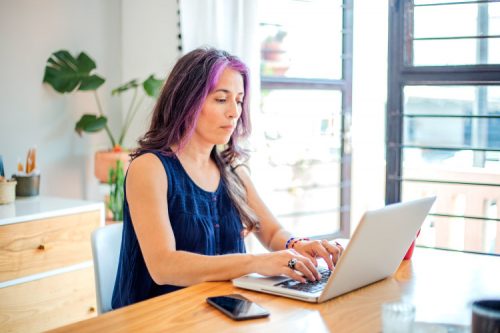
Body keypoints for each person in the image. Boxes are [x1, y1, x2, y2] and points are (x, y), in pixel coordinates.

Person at [111, 48, 343, 309]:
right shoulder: (150, 168)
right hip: (156, 318)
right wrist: (256, 262)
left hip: (218, 312)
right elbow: (163, 266)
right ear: (187, 102)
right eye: (221, 99)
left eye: (239, 100)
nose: (234, 112)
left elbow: (273, 232)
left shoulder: (233, 172)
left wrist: (298, 245)